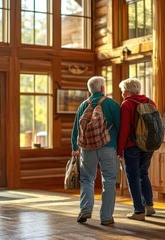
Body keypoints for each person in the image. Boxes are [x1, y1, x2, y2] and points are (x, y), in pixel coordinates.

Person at [71, 76, 121, 226]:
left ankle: (85, 209)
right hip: (108, 146)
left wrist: (75, 148)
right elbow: (120, 127)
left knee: (87, 179)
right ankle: (106, 217)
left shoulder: (82, 106)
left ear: (90, 90)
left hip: (87, 148)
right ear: (103, 88)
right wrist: (120, 148)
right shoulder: (112, 104)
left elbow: (75, 130)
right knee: (109, 181)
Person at [117, 77, 156, 221]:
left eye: (122, 91)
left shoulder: (126, 104)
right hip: (148, 145)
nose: (121, 94)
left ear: (127, 91)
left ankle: (139, 211)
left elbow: (125, 130)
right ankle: (149, 206)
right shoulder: (150, 102)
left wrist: (119, 150)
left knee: (132, 177)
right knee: (143, 174)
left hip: (132, 146)